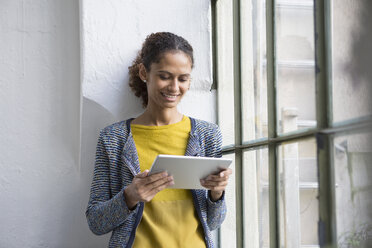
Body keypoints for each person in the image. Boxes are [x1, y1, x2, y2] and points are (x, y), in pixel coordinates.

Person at [86, 32, 232, 248]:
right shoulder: (113, 138)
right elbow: (96, 223)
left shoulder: (207, 134)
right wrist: (130, 195)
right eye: (165, 76)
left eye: (183, 79)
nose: (174, 87)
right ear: (144, 72)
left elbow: (213, 222)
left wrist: (217, 193)